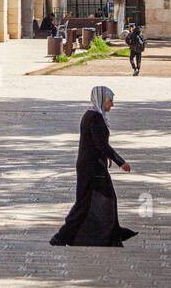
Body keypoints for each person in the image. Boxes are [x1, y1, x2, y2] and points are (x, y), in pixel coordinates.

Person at [49, 85, 137, 248]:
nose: (112, 104)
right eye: (110, 101)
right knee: (86, 203)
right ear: (102, 100)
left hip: (92, 165)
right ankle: (62, 237)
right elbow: (102, 145)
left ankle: (112, 232)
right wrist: (120, 162)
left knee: (100, 199)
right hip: (92, 168)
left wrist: (106, 158)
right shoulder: (95, 118)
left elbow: (96, 144)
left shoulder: (91, 115)